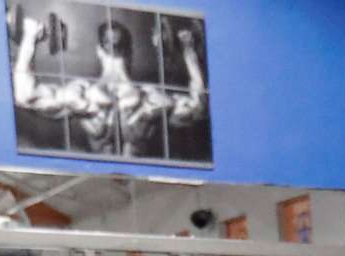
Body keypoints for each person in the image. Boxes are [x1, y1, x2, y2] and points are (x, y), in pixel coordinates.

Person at [11, 10, 206, 160]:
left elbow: (24, 96)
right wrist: (189, 53)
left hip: (100, 188)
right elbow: (198, 106)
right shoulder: (150, 99)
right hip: (140, 185)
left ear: (98, 51)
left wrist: (30, 38)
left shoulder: (83, 96)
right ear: (130, 52)